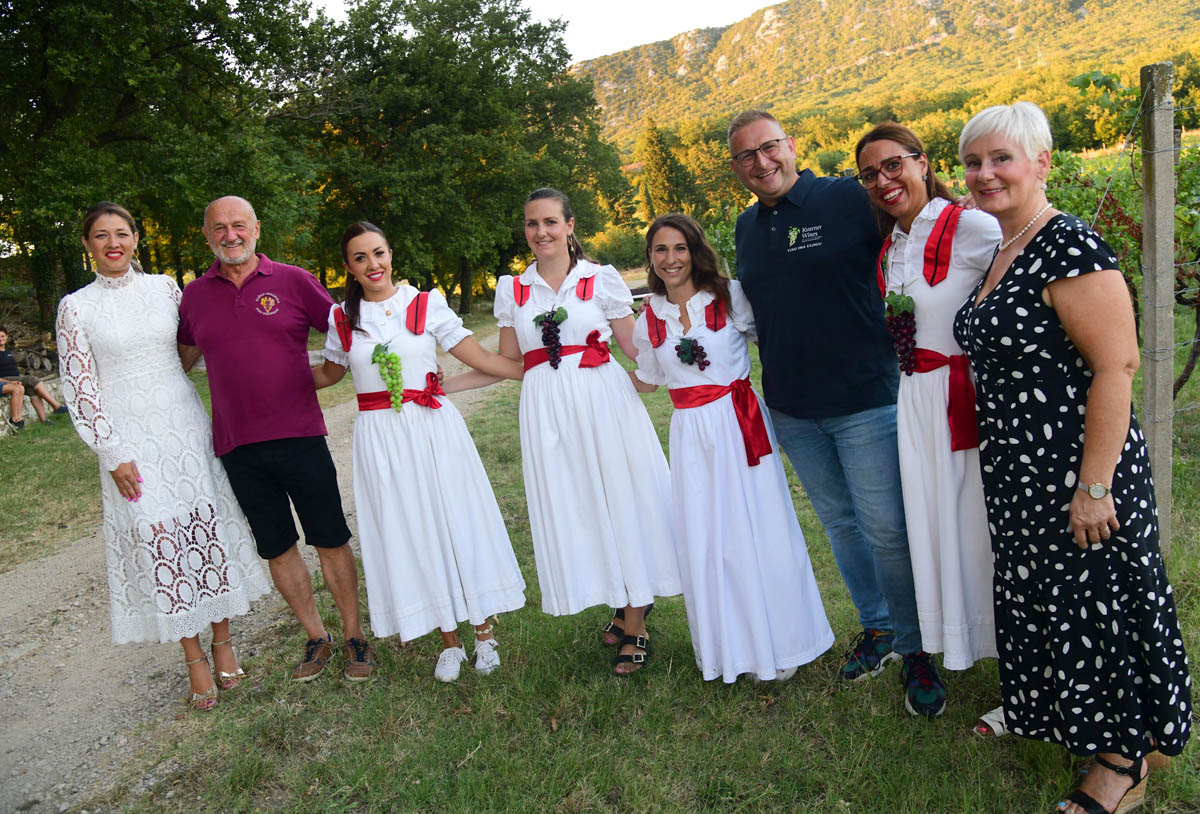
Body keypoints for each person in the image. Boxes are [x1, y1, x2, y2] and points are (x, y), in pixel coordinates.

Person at [953, 101, 1192, 814]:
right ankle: (1071, 720)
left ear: (1042, 162)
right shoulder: (1006, 247)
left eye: (1001, 158)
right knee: (1054, 603)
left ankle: (1125, 762)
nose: (985, 173)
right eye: (973, 162)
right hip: (1020, 471)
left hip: (1076, 469)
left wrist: (1095, 485)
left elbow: (1117, 366)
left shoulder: (1069, 245)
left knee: (1099, 607)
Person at [727, 109, 945, 717]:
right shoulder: (747, 228)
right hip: (793, 409)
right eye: (746, 156)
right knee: (842, 527)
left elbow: (919, 240)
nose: (761, 163)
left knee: (887, 530)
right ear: (737, 168)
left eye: (770, 148)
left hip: (866, 399)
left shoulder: (851, 199)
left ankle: (917, 647)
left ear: (791, 146)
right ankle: (876, 628)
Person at [56, 202, 271, 710]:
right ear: (87, 246)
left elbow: (191, 347)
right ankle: (193, 655)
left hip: (184, 425)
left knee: (206, 528)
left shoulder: (166, 289)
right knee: (162, 540)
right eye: (102, 236)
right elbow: (80, 387)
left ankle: (223, 642)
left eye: (122, 233)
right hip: (130, 439)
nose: (114, 243)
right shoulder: (75, 307)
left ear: (136, 239)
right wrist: (112, 452)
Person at [312, 221, 527, 682]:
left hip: (431, 428)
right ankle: (448, 639)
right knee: (410, 528)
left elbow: (480, 357)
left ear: (391, 254)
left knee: (454, 521)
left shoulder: (425, 304)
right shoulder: (341, 320)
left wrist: (539, 368)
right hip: (380, 439)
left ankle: (484, 632)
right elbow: (328, 375)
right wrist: (268, 374)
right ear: (349, 268)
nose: (373, 264)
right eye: (360, 258)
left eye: (378, 252)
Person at [178, 196, 375, 683]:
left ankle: (354, 637)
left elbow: (347, 331)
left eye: (239, 225)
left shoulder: (293, 280)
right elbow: (174, 363)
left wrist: (330, 376)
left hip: (301, 436)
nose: (230, 235)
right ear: (206, 236)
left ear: (256, 229)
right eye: (219, 228)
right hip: (237, 446)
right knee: (277, 547)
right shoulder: (194, 296)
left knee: (330, 538)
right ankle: (316, 637)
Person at [629, 213, 834, 683]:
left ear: (695, 250)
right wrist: (589, 370)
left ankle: (785, 643)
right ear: (650, 259)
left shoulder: (729, 296)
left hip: (740, 424)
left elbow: (776, 342)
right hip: (691, 435)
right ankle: (733, 651)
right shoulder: (649, 322)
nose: (670, 258)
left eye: (679, 248)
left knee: (761, 528)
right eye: (660, 250)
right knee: (708, 539)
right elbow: (649, 380)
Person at [854, 123, 1005, 732]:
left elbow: (1026, 256)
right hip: (915, 398)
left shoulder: (970, 225)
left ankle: (1016, 658)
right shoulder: (892, 245)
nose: (885, 181)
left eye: (895, 165)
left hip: (964, 398)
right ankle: (959, 642)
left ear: (923, 162)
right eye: (871, 174)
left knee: (981, 525)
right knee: (937, 525)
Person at [494, 188, 681, 675]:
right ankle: (622, 599)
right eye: (532, 224)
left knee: (622, 499)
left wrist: (667, 375)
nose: (541, 232)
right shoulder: (514, 290)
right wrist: (438, 385)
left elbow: (634, 346)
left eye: (551, 222)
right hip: (546, 412)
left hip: (603, 402)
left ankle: (636, 620)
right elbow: (511, 362)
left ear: (570, 225)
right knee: (579, 504)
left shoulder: (600, 279)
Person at [0, 326, 69, 428]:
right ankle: (56, 406)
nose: (1, 339)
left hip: (15, 378)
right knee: (32, 379)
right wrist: (9, 382)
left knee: (32, 390)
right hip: (5, 379)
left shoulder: (6, 349)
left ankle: (44, 420)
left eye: (3, 336)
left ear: (6, 336)